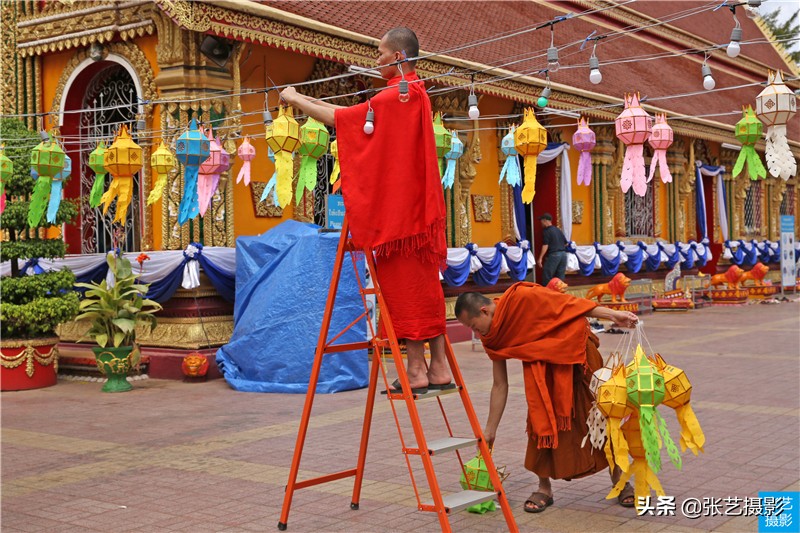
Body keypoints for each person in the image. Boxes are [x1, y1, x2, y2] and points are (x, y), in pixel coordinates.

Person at [280, 27, 452, 393]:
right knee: (427, 290)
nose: (377, 61)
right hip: (418, 218)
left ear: (399, 57)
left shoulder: (397, 96)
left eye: (381, 53)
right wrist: (306, 99)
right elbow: (352, 114)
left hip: (399, 222)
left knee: (406, 294)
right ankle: (438, 368)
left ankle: (418, 371)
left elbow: (342, 121)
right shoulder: (413, 94)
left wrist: (295, 99)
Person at [454, 283, 639, 513]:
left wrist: (614, 315)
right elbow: (500, 384)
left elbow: (571, 305)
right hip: (541, 373)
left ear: (484, 311)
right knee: (539, 420)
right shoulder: (492, 336)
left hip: (578, 358)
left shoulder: (522, 298)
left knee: (599, 420)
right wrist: (490, 429)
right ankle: (544, 488)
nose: (476, 333)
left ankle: (620, 482)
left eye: (473, 326)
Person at [537, 212, 568, 287]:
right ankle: (559, 293)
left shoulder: (546, 231)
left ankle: (547, 293)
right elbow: (566, 243)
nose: (541, 223)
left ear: (545, 220)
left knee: (547, 275)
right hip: (564, 255)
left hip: (554, 255)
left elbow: (545, 245)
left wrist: (540, 258)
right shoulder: (558, 230)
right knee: (560, 277)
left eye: (541, 220)